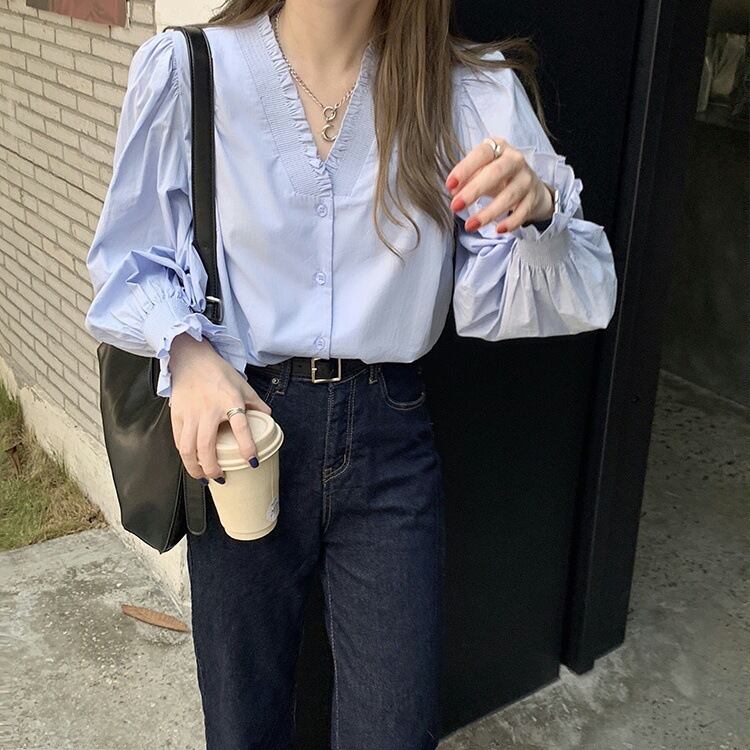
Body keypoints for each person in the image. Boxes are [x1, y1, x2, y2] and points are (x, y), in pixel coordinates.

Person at [83, 0, 618, 747]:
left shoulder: (464, 89)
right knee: (243, 726)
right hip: (246, 432)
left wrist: (539, 212)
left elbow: (576, 291)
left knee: (395, 729)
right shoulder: (192, 70)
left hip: (389, 440)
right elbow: (127, 261)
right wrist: (187, 351)